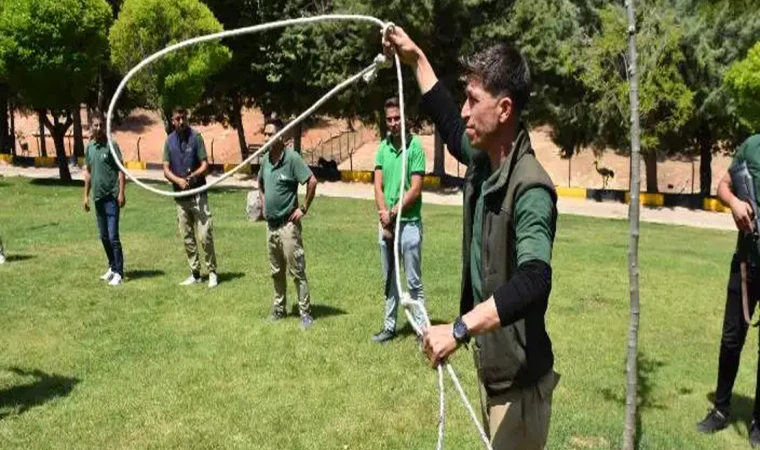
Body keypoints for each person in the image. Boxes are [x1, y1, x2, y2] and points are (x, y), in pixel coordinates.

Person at [385, 28, 560, 449]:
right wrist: (417, 59)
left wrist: (460, 328)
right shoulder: (486, 159)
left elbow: (536, 279)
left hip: (518, 387)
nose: (464, 111)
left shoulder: (531, 187)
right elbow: (448, 122)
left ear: (503, 109)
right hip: (494, 371)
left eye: (473, 100)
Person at [697, 134, 760, 447]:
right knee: (731, 338)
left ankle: (758, 424)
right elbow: (724, 184)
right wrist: (735, 204)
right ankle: (721, 410)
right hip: (747, 262)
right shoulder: (752, 146)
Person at [371, 96, 427, 343]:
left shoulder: (414, 147)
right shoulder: (383, 148)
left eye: (397, 118)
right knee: (390, 279)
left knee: (413, 281)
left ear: (405, 119)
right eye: (389, 119)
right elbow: (378, 186)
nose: (393, 123)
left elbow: (415, 189)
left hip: (409, 224)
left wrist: (393, 213)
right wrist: (384, 215)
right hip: (387, 223)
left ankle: (422, 329)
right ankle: (389, 327)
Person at [258, 117, 318, 329]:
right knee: (276, 271)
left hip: (288, 226)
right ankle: (279, 309)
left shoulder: (292, 159)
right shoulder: (265, 159)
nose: (266, 137)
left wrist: (303, 208)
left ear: (281, 136)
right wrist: (264, 205)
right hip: (271, 226)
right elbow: (261, 185)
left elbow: (312, 181)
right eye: (264, 134)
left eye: (270, 133)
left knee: (297, 270)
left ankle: (305, 313)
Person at [162, 106, 218, 288]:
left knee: (205, 235)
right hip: (180, 197)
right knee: (187, 236)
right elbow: (165, 169)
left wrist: (193, 177)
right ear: (172, 121)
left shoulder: (196, 138)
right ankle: (195, 273)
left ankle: (212, 273)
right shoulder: (169, 141)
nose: (180, 121)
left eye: (183, 118)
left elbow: (205, 165)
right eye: (177, 119)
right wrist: (178, 181)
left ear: (187, 118)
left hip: (198, 194)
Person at [83, 113, 126, 286]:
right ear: (90, 127)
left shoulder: (111, 145)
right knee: (103, 236)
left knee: (113, 236)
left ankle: (119, 273)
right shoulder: (90, 148)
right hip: (98, 198)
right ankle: (112, 267)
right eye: (95, 125)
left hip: (111, 197)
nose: (98, 128)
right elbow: (87, 172)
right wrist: (85, 196)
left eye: (101, 125)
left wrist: (122, 193)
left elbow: (121, 170)